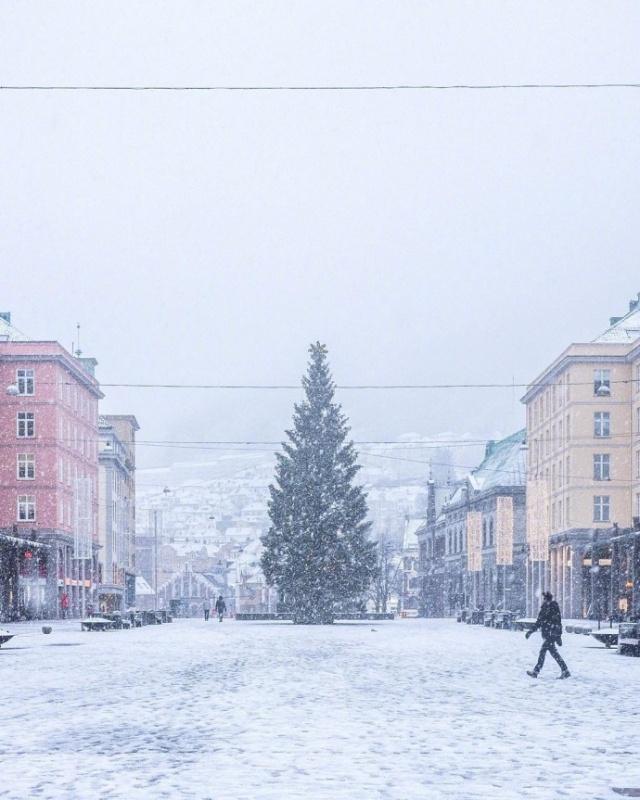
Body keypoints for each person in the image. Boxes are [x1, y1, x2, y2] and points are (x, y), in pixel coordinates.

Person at [526, 591, 570, 679]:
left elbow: (555, 622)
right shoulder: (549, 608)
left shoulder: (550, 607)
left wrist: (558, 636)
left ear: (546, 599)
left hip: (550, 634)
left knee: (542, 652)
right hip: (549, 634)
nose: (544, 600)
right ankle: (565, 670)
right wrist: (531, 631)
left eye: (545, 599)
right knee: (554, 653)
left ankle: (536, 671)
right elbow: (542, 622)